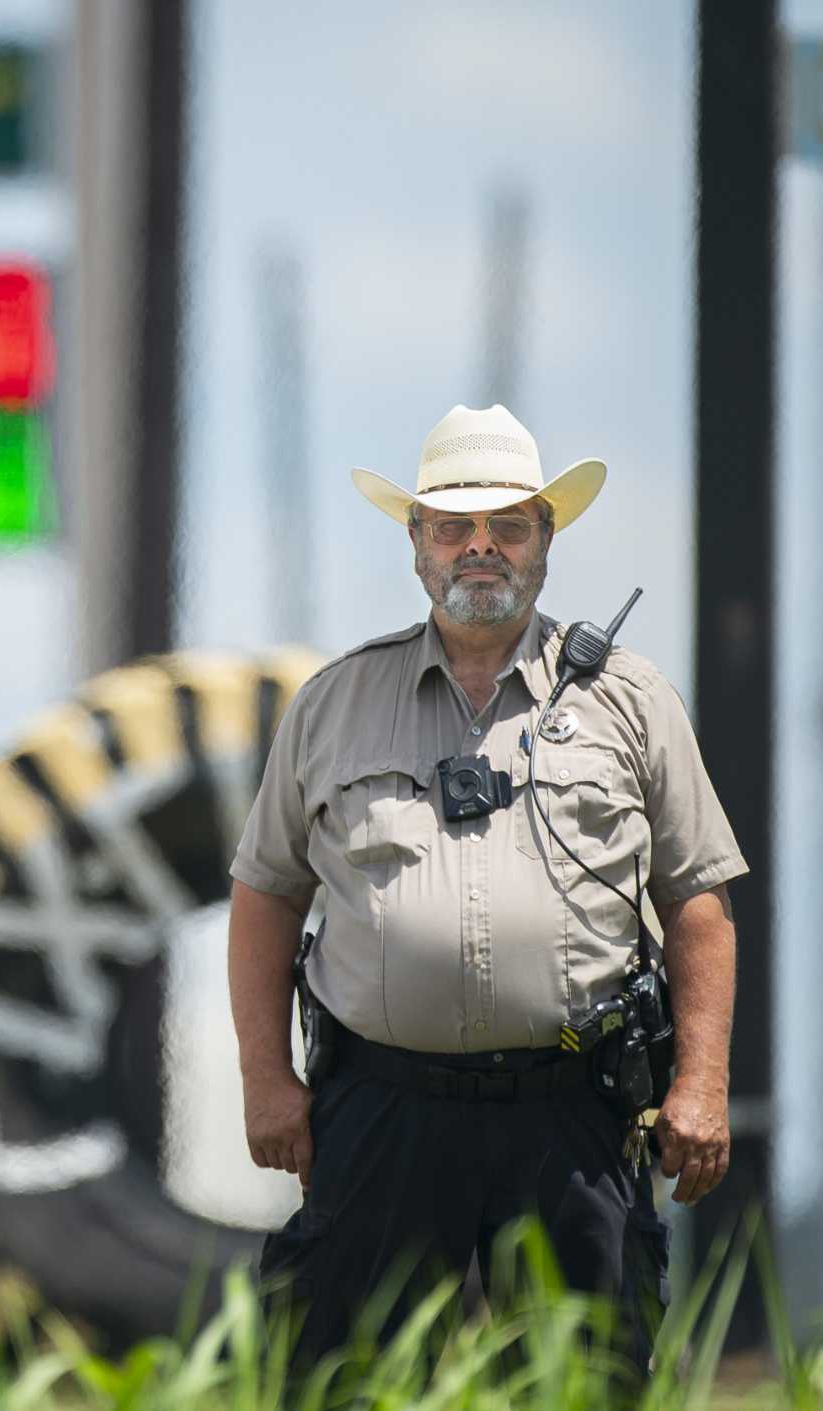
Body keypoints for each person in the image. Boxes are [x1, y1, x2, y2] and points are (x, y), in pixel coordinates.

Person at [227, 403, 745, 1370]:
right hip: (380, 1106)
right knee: (340, 1380)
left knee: (586, 1380)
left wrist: (702, 1082)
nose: (480, 548)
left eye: (507, 525)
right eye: (453, 526)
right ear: (415, 541)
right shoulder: (334, 702)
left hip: (573, 1110)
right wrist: (265, 1077)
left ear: (545, 539)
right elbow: (264, 894)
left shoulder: (630, 701)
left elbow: (697, 901)